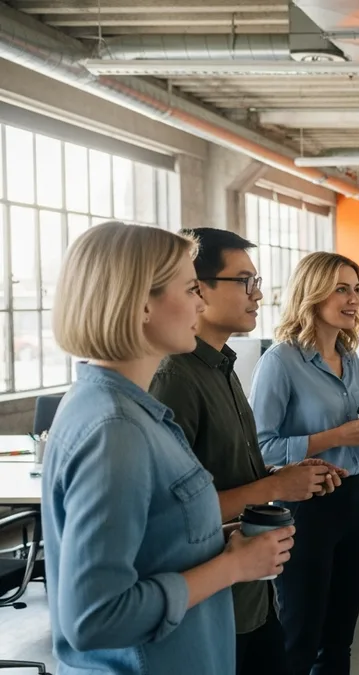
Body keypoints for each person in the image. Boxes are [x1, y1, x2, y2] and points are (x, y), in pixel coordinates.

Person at [41, 222, 294, 674]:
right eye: (190, 287)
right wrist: (232, 567)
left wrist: (217, 542)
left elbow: (151, 542)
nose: (200, 302)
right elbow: (95, 617)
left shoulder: (131, 409)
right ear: (141, 303)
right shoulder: (114, 429)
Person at [149, 228, 347, 675]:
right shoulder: (174, 379)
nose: (257, 295)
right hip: (210, 599)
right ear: (197, 289)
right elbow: (171, 515)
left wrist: (286, 472)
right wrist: (276, 484)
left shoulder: (223, 367)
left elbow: (230, 471)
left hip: (250, 592)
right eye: (244, 282)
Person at [249, 252, 359, 675]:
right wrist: (337, 436)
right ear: (312, 293)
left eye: (357, 289)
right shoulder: (280, 361)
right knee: (300, 637)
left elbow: (353, 432)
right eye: (341, 288)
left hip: (351, 498)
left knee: (339, 640)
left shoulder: (350, 358)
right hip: (304, 505)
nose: (353, 299)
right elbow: (260, 447)